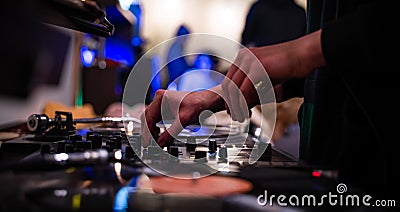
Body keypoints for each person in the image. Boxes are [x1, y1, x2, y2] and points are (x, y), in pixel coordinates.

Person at [142, 0, 398, 202]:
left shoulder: (266, 11)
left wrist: (301, 52)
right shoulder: (295, 13)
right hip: (333, 165)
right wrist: (214, 97)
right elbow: (335, 62)